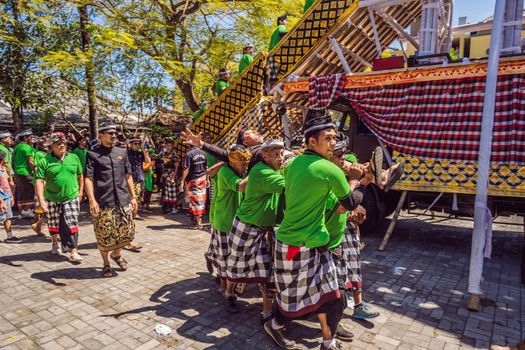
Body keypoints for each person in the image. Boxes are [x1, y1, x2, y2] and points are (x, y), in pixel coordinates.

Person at [264, 113, 375, 350]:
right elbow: (351, 202)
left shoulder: (293, 163)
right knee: (292, 302)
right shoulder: (327, 169)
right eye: (327, 138)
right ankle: (274, 324)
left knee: (333, 298)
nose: (332, 143)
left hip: (307, 242)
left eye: (335, 138)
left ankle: (328, 342)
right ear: (311, 141)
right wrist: (361, 181)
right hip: (298, 244)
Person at [225, 139, 285, 321]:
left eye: (282, 153)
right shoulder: (261, 171)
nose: (280, 158)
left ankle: (266, 311)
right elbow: (289, 185)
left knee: (267, 271)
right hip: (246, 226)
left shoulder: (274, 170)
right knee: (236, 264)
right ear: (264, 155)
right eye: (276, 154)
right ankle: (229, 293)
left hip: (264, 229)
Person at [85, 122, 138, 277]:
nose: (114, 136)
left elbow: (128, 175)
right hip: (103, 201)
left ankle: (116, 254)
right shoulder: (92, 154)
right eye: (110, 133)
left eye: (115, 133)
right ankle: (106, 263)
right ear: (101, 135)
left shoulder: (122, 152)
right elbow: (88, 178)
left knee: (127, 233)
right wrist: (92, 200)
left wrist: (133, 197)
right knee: (104, 234)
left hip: (122, 199)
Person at [210, 145, 251, 301]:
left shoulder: (237, 170)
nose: (246, 167)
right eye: (242, 164)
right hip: (225, 220)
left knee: (234, 256)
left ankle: (230, 284)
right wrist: (257, 171)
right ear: (232, 162)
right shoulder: (226, 172)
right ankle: (223, 286)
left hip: (236, 220)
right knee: (225, 257)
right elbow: (241, 186)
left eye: (247, 164)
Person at [36, 132, 84, 262]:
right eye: (58, 143)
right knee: (53, 223)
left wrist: (80, 192)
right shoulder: (44, 161)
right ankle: (55, 243)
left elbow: (80, 176)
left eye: (64, 143)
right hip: (52, 197)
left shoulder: (74, 158)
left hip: (71, 196)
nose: (62, 145)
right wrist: (41, 200)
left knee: (72, 223)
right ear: (52, 145)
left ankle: (73, 251)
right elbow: (39, 181)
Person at [181, 127, 264, 172]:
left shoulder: (264, 147)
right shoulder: (247, 154)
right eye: (251, 132)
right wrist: (201, 144)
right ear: (245, 142)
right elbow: (224, 155)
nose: (256, 132)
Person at [179, 145, 208, 229]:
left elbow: (186, 169)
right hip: (202, 178)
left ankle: (199, 223)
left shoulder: (189, 154)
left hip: (193, 180)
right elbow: (206, 167)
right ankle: (195, 222)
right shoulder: (203, 153)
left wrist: (182, 181)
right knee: (200, 200)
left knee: (196, 201)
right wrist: (207, 179)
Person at [12, 130, 36, 218]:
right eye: (30, 137)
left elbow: (12, 161)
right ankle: (27, 210)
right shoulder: (26, 147)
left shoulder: (17, 147)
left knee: (21, 192)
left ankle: (22, 211)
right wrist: (36, 171)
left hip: (18, 173)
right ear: (25, 138)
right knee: (30, 191)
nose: (32, 138)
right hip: (25, 173)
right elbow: (30, 161)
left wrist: (15, 171)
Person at [127, 136, 151, 220]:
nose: (137, 145)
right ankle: (132, 213)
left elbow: (148, 161)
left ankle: (134, 213)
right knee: (131, 196)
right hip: (130, 178)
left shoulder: (140, 153)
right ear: (130, 144)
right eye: (135, 143)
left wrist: (143, 149)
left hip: (140, 177)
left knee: (138, 196)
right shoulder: (126, 153)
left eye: (138, 143)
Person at [0, 151, 20, 243]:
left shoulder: (4, 169)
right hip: (1, 199)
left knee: (8, 217)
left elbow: (7, 184)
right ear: (2, 159)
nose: (7, 160)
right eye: (5, 157)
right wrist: (1, 202)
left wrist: (11, 196)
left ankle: (9, 236)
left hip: (7, 197)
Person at [31, 136, 48, 237]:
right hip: (41, 182)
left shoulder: (47, 153)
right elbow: (36, 168)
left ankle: (38, 223)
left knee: (46, 205)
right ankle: (36, 219)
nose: (47, 143)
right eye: (45, 142)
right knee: (40, 201)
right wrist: (42, 181)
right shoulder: (38, 154)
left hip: (48, 181)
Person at [160, 139, 180, 214]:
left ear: (172, 146)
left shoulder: (174, 155)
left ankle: (174, 208)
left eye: (170, 145)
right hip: (165, 175)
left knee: (172, 192)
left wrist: (173, 177)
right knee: (166, 193)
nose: (168, 147)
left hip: (172, 174)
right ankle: (167, 208)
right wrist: (162, 176)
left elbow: (177, 166)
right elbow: (163, 166)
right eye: (167, 145)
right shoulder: (163, 154)